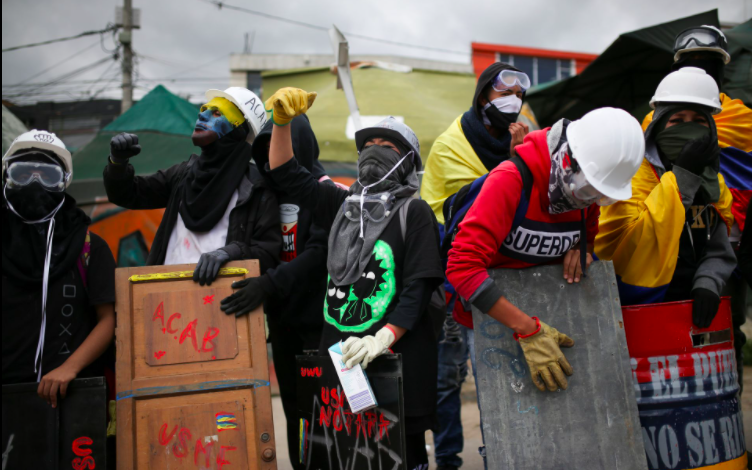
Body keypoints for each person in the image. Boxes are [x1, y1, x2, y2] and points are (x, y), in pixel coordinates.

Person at [258, 87, 444, 470]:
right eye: (369, 143)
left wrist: (383, 337)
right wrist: (280, 123)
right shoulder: (341, 205)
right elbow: (286, 173)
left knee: (399, 458)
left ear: (408, 161)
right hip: (341, 365)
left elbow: (419, 288)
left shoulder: (416, 213)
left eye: (387, 145)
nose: (375, 149)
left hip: (397, 365)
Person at [446, 107, 645, 393]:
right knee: (507, 422)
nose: (592, 202)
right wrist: (527, 329)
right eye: (591, 191)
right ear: (567, 160)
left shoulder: (585, 195)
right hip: (492, 321)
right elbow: (462, 267)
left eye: (604, 196)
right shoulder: (510, 181)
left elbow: (587, 232)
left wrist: (581, 248)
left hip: (548, 317)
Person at [420, 62, 531, 470]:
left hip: (502, 278)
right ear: (483, 94)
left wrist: (520, 161)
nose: (512, 102)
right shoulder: (451, 145)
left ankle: (499, 454)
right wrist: (512, 167)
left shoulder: (525, 141)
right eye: (503, 92)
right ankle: (448, 458)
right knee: (447, 379)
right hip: (453, 276)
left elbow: (530, 205)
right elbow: (452, 208)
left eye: (519, 95)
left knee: (496, 375)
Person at [641, 25, 751, 381]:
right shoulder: (652, 124)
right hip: (661, 256)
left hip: (728, 244)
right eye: (690, 62)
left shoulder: (745, 119)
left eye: (710, 63)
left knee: (723, 336)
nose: (700, 70)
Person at [220, 115, 330, 465]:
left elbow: (319, 253)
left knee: (323, 410)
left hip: (321, 324)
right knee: (295, 411)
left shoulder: (324, 191)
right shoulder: (262, 194)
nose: (272, 154)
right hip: (282, 323)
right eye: (265, 147)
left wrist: (268, 284)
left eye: (279, 144)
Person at [597, 68, 735, 324]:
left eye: (698, 121)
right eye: (677, 121)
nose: (688, 128)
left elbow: (719, 247)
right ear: (659, 126)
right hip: (633, 310)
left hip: (690, 312)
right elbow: (630, 245)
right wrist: (681, 177)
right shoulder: (629, 176)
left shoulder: (715, 183)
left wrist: (708, 282)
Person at [102, 87, 280, 281]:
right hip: (165, 294)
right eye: (203, 110)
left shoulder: (256, 187)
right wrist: (117, 163)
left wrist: (233, 252)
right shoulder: (182, 175)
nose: (202, 116)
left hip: (221, 302)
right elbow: (126, 193)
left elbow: (268, 254)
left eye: (217, 113)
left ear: (238, 130)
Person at [2, 130, 116, 410]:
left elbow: (109, 319)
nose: (34, 182)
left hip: (73, 394)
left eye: (48, 176)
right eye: (23, 173)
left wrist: (70, 367)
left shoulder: (89, 246)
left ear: (64, 182)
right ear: (7, 177)